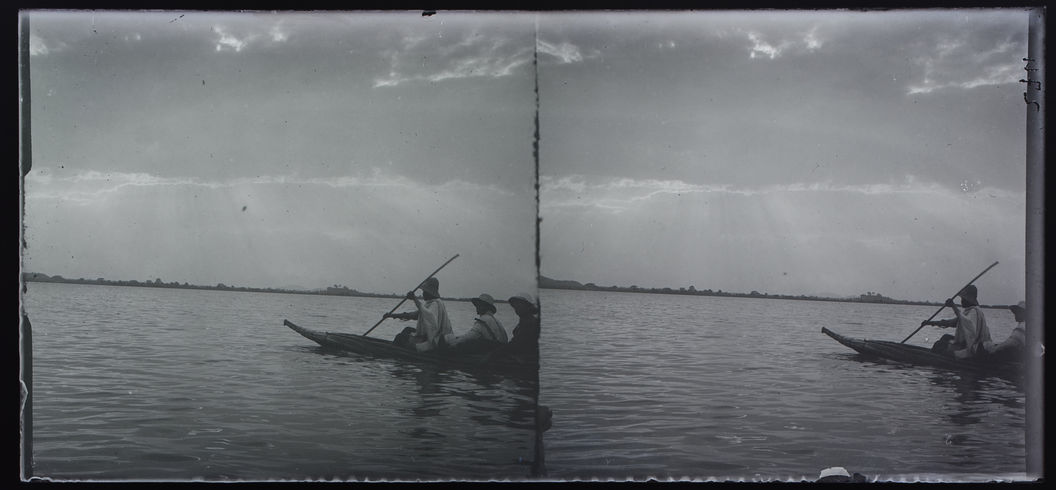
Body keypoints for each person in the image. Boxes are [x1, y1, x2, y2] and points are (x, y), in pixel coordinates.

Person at [922, 285, 993, 360]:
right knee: (946, 337)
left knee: (939, 345)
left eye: (963, 299)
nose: (961, 301)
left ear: (968, 300)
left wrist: (953, 306)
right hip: (969, 343)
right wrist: (930, 322)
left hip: (974, 348)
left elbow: (968, 325)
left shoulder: (974, 312)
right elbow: (952, 322)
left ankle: (936, 359)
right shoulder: (969, 311)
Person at [384, 277, 453, 353]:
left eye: (424, 291)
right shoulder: (430, 304)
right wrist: (391, 315)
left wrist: (415, 299)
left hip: (435, 340)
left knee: (400, 337)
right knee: (407, 330)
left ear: (429, 292)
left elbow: (429, 317)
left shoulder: (435, 304)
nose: (423, 293)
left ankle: (394, 351)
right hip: (430, 336)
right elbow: (413, 315)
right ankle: (399, 348)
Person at [482, 292, 540, 365]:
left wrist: (492, 355)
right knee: (484, 343)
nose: (516, 307)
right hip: (519, 351)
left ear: (527, 306)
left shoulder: (530, 322)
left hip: (524, 355)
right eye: (515, 305)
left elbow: (516, 344)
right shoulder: (525, 319)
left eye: (519, 304)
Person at [441, 293, 509, 354]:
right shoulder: (496, 320)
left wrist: (453, 343)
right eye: (477, 305)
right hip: (500, 349)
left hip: (492, 352)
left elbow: (469, 336)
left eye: (479, 305)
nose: (477, 307)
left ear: (485, 307)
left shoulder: (483, 320)